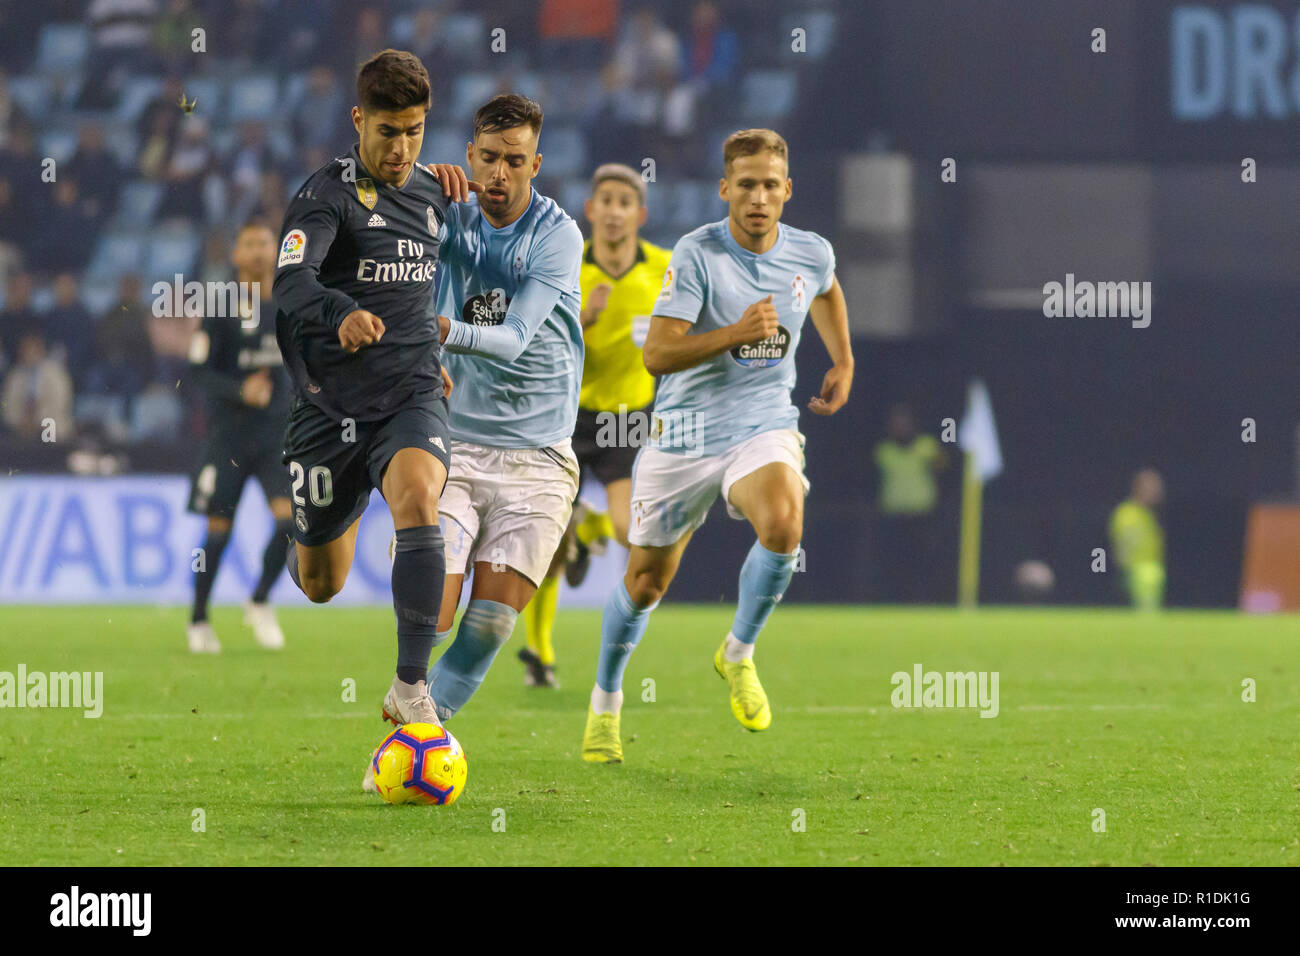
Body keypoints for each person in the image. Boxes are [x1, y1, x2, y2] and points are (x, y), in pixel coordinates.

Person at [581, 129, 854, 763]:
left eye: (770, 185)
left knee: (785, 524)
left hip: (761, 424)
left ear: (787, 191)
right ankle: (605, 703)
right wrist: (733, 333)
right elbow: (657, 354)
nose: (758, 197)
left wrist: (843, 359)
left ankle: (737, 653)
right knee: (646, 582)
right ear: (725, 189)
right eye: (747, 185)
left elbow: (829, 288)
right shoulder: (698, 253)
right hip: (683, 436)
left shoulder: (809, 252)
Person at [273, 50, 473, 772]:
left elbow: (461, 261)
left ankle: (410, 685)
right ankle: (327, 520)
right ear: (359, 120)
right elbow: (290, 282)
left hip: (411, 396)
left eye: (416, 132)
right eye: (388, 131)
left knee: (420, 498)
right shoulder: (323, 195)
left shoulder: (434, 191)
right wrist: (340, 310)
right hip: (329, 413)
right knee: (321, 583)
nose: (402, 149)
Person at [406, 93, 585, 727]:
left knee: (486, 626)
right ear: (469, 157)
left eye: (515, 160)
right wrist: (420, 180)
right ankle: (413, 726)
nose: (499, 175)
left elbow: (511, 339)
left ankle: (418, 736)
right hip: (456, 448)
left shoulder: (558, 235)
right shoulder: (448, 214)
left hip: (539, 460)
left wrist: (436, 331)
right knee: (438, 610)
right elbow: (379, 200)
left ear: (537, 164)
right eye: (487, 159)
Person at [517, 162, 671, 688]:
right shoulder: (565, 269)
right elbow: (527, 341)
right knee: (549, 540)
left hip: (628, 421)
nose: (612, 211)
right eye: (604, 200)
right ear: (590, 210)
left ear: (639, 215)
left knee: (631, 531)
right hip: (567, 415)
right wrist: (579, 322)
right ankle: (539, 652)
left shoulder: (664, 270)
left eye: (623, 203)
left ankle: (593, 527)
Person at [184, 220, 294, 653]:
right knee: (218, 531)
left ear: (277, 248)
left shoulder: (290, 302)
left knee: (290, 524)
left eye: (264, 242)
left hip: (276, 436)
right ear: (236, 254)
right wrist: (239, 390)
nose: (258, 250)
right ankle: (198, 619)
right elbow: (197, 370)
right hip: (228, 436)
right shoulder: (222, 305)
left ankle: (260, 599)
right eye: (248, 243)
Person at [872, 402, 946, 602]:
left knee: (924, 562)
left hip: (921, 517)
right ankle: (892, 600)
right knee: (894, 563)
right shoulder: (884, 450)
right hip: (894, 517)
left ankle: (925, 600)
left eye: (904, 422)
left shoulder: (926, 446)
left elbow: (944, 469)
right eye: (896, 423)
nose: (900, 426)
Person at [1109, 468, 1165, 610]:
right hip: (1139, 571)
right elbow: (1122, 543)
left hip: (1152, 568)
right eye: (1151, 487)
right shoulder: (1127, 513)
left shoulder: (1146, 514)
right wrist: (1124, 569)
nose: (1156, 491)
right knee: (1144, 610)